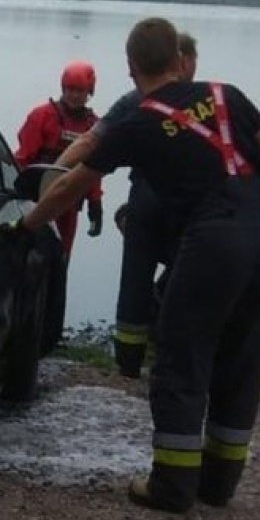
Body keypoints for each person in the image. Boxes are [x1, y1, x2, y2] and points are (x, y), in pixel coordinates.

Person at [21, 18, 260, 513]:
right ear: (178, 58)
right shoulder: (225, 93)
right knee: (242, 358)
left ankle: (171, 484)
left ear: (131, 69)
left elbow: (70, 185)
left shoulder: (139, 122)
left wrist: (26, 222)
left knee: (180, 352)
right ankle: (218, 483)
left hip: (214, 238)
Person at [108, 31, 197, 377]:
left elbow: (92, 144)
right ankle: (163, 352)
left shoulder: (133, 103)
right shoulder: (207, 100)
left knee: (137, 278)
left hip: (147, 199)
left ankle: (130, 358)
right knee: (179, 279)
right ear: (180, 61)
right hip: (185, 207)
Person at [14, 60, 104, 258]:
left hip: (69, 203)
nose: (73, 95)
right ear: (62, 88)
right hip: (35, 200)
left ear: (89, 92)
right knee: (29, 251)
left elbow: (94, 169)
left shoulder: (94, 127)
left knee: (61, 256)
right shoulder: (42, 117)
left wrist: (95, 204)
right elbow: (22, 158)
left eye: (79, 91)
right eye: (69, 89)